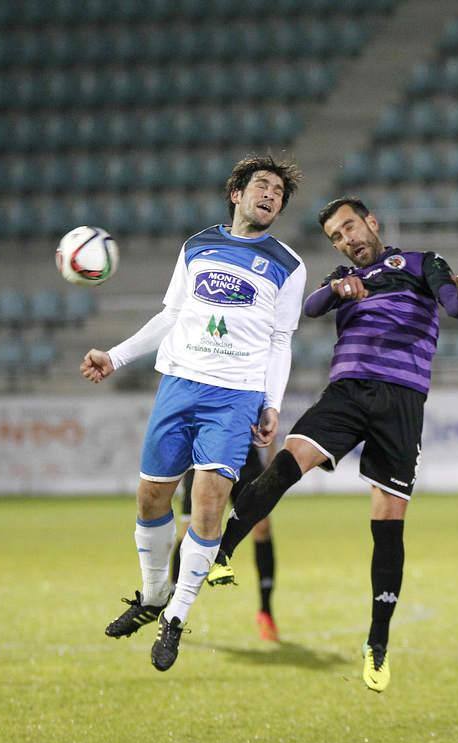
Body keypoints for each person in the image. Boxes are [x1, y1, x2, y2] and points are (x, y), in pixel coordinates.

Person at [206, 196, 458, 692]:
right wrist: (339, 288)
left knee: (388, 520)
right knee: (287, 466)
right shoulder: (340, 277)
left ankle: (377, 643)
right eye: (336, 235)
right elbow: (313, 307)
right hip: (349, 391)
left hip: (401, 402)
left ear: (371, 223)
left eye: (351, 227)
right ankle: (222, 549)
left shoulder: (421, 263)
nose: (347, 239)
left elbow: (453, 303)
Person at [81, 155, 305, 671]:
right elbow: (172, 316)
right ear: (237, 193)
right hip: (179, 384)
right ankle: (155, 593)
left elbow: (281, 340)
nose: (270, 195)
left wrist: (272, 402)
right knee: (151, 497)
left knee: (208, 505)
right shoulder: (197, 245)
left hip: (235, 395)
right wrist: (114, 357)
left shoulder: (287, 263)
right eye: (262, 186)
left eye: (278, 192)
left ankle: (175, 618)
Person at [174, 444, 279, 642]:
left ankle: (266, 612)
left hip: (245, 454)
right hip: (206, 454)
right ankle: (172, 609)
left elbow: (267, 418)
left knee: (262, 525)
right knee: (189, 529)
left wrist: (270, 458)